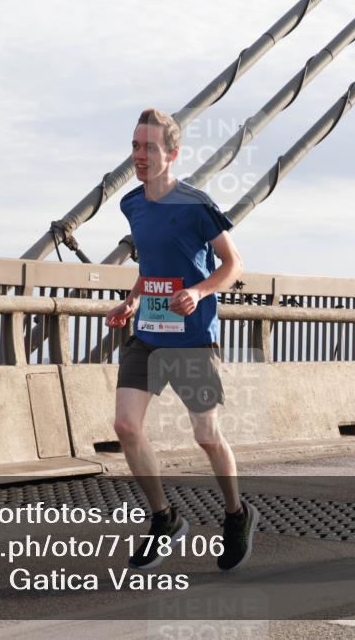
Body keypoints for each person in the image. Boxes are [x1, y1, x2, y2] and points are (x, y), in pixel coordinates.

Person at [105, 108, 259, 572]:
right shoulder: (131, 204)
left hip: (192, 337)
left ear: (172, 154)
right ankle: (164, 517)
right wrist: (132, 302)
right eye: (134, 146)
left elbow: (234, 265)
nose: (139, 156)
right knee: (127, 427)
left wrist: (197, 291)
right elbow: (150, 265)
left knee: (206, 435)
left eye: (149, 148)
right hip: (148, 333)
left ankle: (236, 514)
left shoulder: (196, 204)